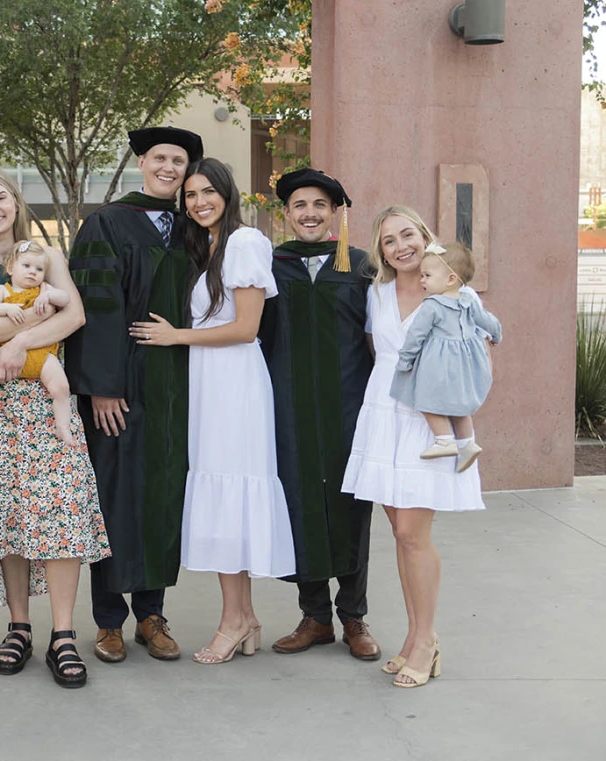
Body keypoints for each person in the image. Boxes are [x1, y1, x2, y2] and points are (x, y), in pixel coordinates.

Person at [0, 168, 111, 689]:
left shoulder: (48, 253)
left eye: (1, 197)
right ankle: (19, 627)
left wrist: (14, 342)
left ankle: (63, 635)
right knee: (9, 511)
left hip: (45, 394)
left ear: (16, 202)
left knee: (60, 506)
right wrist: (20, 334)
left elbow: (75, 316)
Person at [130, 158, 296, 664]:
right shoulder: (210, 248)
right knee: (224, 493)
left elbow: (247, 328)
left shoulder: (244, 243)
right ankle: (243, 617)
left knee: (230, 494)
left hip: (235, 383)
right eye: (191, 194)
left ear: (227, 193)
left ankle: (233, 621)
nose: (199, 202)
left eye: (208, 192)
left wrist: (176, 335)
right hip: (210, 381)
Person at [65, 126, 203, 664]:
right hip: (121, 387)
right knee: (113, 498)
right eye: (160, 158)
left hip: (177, 385)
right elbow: (93, 310)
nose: (169, 168)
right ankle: (107, 622)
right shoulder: (107, 223)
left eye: (179, 161)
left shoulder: (195, 225)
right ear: (142, 162)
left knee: (163, 497)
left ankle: (152, 614)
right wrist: (101, 388)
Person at [342, 207, 492, 688]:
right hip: (384, 412)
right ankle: (413, 638)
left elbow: (474, 356)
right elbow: (376, 351)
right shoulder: (377, 293)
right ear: (381, 251)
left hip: (429, 419)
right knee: (398, 531)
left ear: (425, 237)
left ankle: (426, 641)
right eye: (389, 240)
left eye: (408, 234)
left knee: (413, 533)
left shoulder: (455, 291)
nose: (401, 246)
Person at [257, 168, 382, 661]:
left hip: (349, 405)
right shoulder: (271, 266)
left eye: (319, 206)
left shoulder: (363, 266)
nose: (309, 213)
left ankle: (353, 615)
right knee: (300, 504)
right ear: (285, 214)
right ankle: (314, 617)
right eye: (299, 206)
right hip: (287, 405)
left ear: (334, 213)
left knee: (352, 508)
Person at [389, 241, 502, 470]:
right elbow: (488, 321)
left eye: (427, 275)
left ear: (450, 279)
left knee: (427, 400)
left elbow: (415, 337)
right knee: (459, 406)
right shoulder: (468, 300)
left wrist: (404, 361)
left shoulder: (432, 305)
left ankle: (444, 440)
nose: (422, 280)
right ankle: (467, 444)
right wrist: (496, 335)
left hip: (439, 364)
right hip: (466, 365)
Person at [0, 239, 75, 445]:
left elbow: (66, 299)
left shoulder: (44, 288)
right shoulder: (3, 290)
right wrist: (7, 308)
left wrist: (48, 295)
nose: (33, 272)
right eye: (26, 266)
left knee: (61, 387)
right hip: (8, 352)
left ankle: (63, 427)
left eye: (39, 268)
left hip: (42, 353)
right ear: (10, 267)